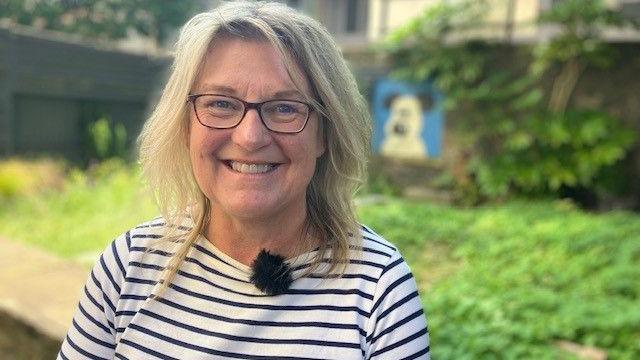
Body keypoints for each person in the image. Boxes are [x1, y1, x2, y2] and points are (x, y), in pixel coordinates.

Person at [57, 1, 430, 359]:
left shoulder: (379, 291)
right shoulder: (129, 267)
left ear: (325, 134)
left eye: (285, 108)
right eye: (220, 103)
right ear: (185, 125)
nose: (250, 137)